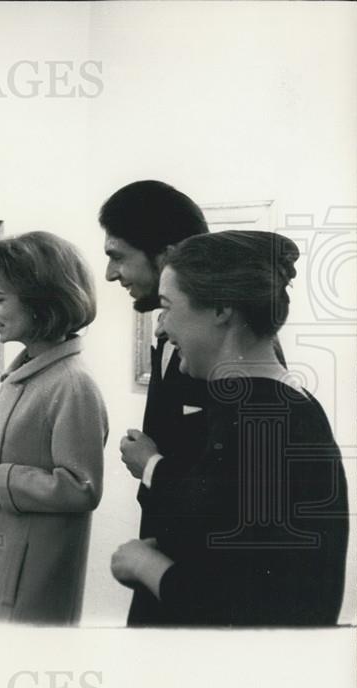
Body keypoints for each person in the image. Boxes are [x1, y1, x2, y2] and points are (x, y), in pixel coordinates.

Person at [110, 231, 349, 625]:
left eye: (167, 308)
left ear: (221, 309)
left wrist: (146, 564)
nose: (161, 327)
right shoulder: (266, 408)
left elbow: (251, 604)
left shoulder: (266, 424)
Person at [0, 231, 109, 624]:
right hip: (4, 568)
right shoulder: (28, 373)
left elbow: (81, 488)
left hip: (34, 584)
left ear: (41, 303)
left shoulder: (72, 385)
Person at [98, 180, 210, 623]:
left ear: (166, 254)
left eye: (117, 256)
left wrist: (151, 465)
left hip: (198, 589)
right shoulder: (167, 337)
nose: (110, 275)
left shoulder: (228, 355)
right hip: (159, 563)